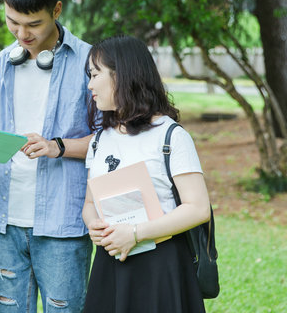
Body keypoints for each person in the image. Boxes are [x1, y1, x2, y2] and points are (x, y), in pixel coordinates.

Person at [0, 0, 94, 313]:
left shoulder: (89, 61)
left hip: (64, 224)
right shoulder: (1, 64)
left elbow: (113, 140)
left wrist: (57, 147)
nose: (21, 34)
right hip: (6, 223)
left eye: (33, 24)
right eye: (12, 22)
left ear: (57, 11)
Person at [82, 35, 211, 312]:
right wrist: (94, 224)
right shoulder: (99, 139)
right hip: (111, 264)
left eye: (95, 75)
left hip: (160, 267)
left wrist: (137, 233)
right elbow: (90, 204)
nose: (90, 84)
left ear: (123, 75)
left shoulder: (171, 136)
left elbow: (198, 208)